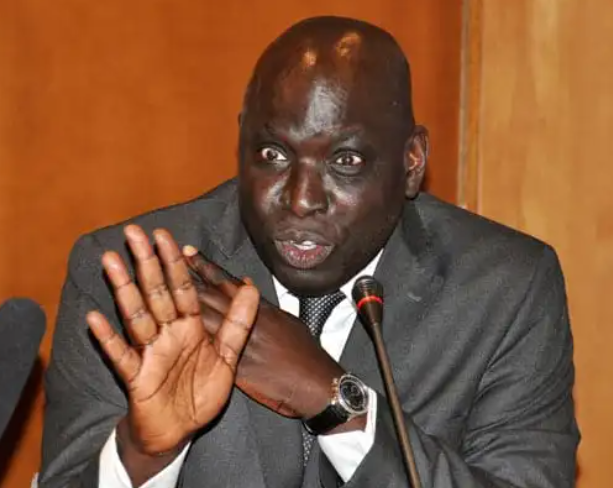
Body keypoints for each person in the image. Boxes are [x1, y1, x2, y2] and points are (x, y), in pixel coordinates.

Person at [39, 15, 579, 488]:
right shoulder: (135, 280)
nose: (301, 199)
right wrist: (143, 453)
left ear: (411, 162)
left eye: (345, 161)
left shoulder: (503, 288)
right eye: (273, 154)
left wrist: (336, 402)